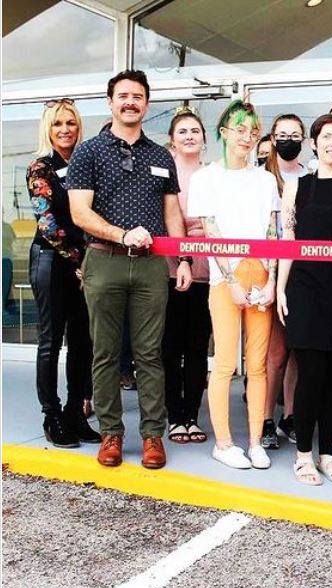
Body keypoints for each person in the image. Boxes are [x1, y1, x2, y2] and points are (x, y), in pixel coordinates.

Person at [68, 70, 192, 470]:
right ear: (110, 102)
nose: (130, 102)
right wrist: (122, 235)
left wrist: (183, 259)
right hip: (104, 260)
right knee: (105, 352)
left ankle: (153, 435)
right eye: (123, 96)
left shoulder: (160, 156)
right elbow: (80, 212)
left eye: (137, 96)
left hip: (152, 266)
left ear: (147, 105)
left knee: (150, 353)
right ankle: (111, 433)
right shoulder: (88, 152)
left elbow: (171, 213)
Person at [188, 99, 280, 470]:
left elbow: (273, 230)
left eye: (253, 131)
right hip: (223, 278)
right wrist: (230, 280)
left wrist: (272, 280)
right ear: (224, 132)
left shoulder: (265, 178)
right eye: (240, 129)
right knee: (225, 362)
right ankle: (224, 443)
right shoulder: (205, 177)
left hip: (261, 275)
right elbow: (211, 231)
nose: (247, 137)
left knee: (257, 365)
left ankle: (256, 441)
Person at [277, 114, 332, 485]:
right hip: (306, 291)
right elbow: (288, 240)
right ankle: (303, 455)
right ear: (313, 143)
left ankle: (327, 453)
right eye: (326, 136)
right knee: (311, 376)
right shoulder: (296, 186)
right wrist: (280, 288)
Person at [26, 98, 100, 447]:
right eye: (57, 124)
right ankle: (52, 415)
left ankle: (75, 411)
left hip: (85, 262)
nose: (65, 129)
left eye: (70, 122)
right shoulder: (40, 168)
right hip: (51, 261)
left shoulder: (85, 164)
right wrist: (78, 261)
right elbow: (48, 223)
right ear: (48, 129)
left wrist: (89, 260)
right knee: (51, 341)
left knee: (83, 341)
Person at [162, 107, 212, 445]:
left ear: (204, 140)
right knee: (169, 344)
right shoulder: (162, 175)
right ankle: (174, 415)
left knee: (197, 344)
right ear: (172, 140)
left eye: (195, 131)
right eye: (182, 131)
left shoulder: (213, 176)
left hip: (208, 268)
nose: (189, 136)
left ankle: (192, 416)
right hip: (167, 266)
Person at [262, 113, 307, 448]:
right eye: (282, 134)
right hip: (268, 269)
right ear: (273, 138)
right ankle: (265, 418)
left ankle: (289, 416)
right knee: (274, 353)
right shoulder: (261, 177)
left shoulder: (310, 176)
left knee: (296, 354)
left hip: (301, 271)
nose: (288, 140)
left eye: (295, 134)